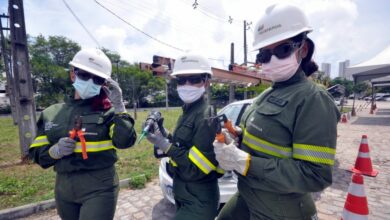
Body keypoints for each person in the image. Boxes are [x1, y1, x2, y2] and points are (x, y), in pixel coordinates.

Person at [214, 4, 340, 220]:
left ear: (303, 49)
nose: (271, 60)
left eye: (281, 50)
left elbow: (315, 175)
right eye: (264, 54)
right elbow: (265, 139)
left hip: (281, 209)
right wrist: (235, 137)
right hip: (248, 194)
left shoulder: (313, 100)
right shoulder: (265, 95)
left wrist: (245, 163)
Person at [29, 48, 137, 220]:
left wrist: (120, 108)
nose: (90, 81)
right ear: (73, 74)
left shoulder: (108, 112)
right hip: (64, 186)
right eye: (85, 75)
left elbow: (124, 142)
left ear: (104, 83)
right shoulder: (51, 112)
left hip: (99, 185)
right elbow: (36, 153)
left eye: (98, 79)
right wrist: (54, 151)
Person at [144, 53, 224, 220]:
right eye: (181, 80)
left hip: (199, 200)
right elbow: (184, 145)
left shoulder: (206, 116)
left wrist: (166, 146)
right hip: (183, 194)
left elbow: (199, 169)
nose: (187, 85)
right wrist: (164, 134)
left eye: (194, 79)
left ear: (206, 81)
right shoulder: (187, 111)